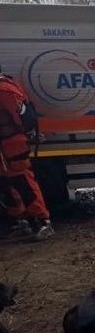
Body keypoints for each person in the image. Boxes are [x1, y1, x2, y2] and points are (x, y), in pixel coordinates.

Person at [0, 72, 53, 240]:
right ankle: (21, 221)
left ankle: (43, 221)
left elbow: (24, 118)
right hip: (5, 145)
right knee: (7, 184)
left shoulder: (5, 90)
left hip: (12, 144)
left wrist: (30, 134)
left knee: (23, 182)